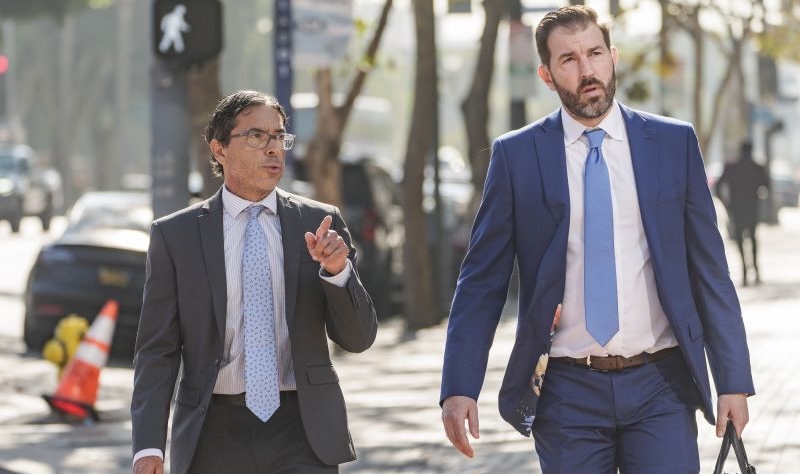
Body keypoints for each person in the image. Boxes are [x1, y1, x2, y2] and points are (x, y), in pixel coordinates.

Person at [440, 6, 754, 473]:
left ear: (614, 57)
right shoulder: (517, 157)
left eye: (595, 53)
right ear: (547, 75)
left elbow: (710, 272)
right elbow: (482, 282)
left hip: (661, 385)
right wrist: (459, 386)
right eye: (568, 59)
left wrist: (733, 379)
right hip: (566, 392)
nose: (587, 70)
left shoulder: (673, 143)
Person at [131, 90, 378, 474]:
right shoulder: (175, 236)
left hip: (302, 429)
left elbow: (358, 339)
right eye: (256, 136)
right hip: (212, 432)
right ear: (220, 149)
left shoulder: (320, 224)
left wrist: (337, 272)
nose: (273, 149)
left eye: (279, 137)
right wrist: (148, 446)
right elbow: (157, 350)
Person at [716, 141, 770, 286]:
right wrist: (759, 196)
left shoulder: (732, 167)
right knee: (752, 238)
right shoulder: (757, 167)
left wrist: (726, 203)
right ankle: (755, 271)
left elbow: (718, 186)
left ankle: (746, 272)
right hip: (751, 208)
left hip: (736, 209)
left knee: (740, 239)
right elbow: (766, 186)